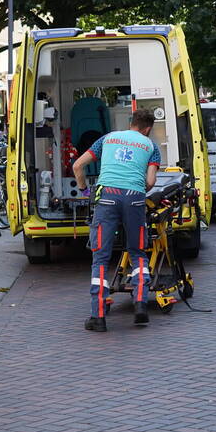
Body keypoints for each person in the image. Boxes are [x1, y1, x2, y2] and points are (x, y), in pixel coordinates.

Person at [72, 109, 161, 332]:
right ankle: (140, 304)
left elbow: (77, 166)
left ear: (131, 123)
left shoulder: (107, 138)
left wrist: (84, 190)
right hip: (135, 199)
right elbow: (150, 182)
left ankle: (98, 316)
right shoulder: (151, 147)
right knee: (138, 252)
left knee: (100, 258)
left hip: (107, 198)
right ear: (148, 128)